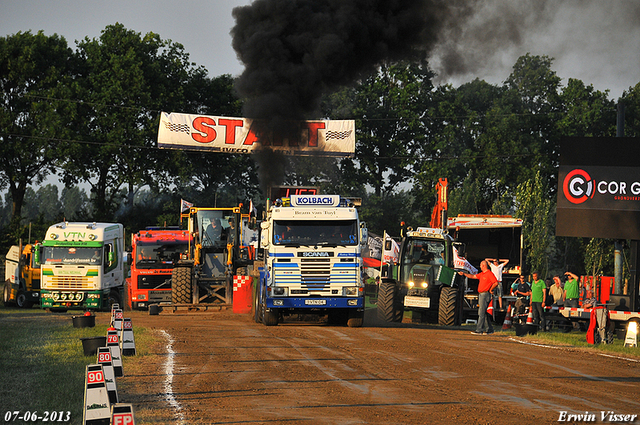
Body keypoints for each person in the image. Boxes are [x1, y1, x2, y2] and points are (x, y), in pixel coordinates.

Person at [458, 260, 498, 335]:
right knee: (484, 312)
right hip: (481, 294)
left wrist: (490, 289)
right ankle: (489, 329)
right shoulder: (482, 274)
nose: (479, 267)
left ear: (483, 265)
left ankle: (479, 330)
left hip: (485, 294)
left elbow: (495, 282)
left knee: (481, 313)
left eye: (480, 265)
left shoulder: (489, 274)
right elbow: (473, 276)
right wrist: (464, 274)